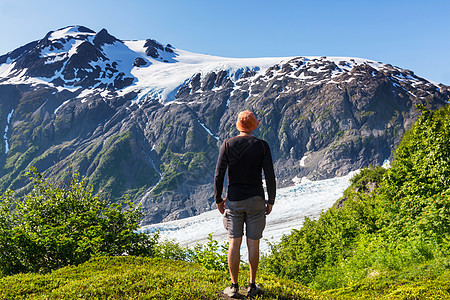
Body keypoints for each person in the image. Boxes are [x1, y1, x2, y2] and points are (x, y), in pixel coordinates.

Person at [214, 110, 276, 298]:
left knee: (234, 242)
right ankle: (252, 286)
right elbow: (270, 176)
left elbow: (219, 174)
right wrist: (271, 200)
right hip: (256, 199)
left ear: (238, 126)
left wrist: (218, 199)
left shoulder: (228, 144)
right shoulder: (262, 146)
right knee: (253, 244)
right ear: (254, 125)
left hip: (234, 200)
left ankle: (233, 287)